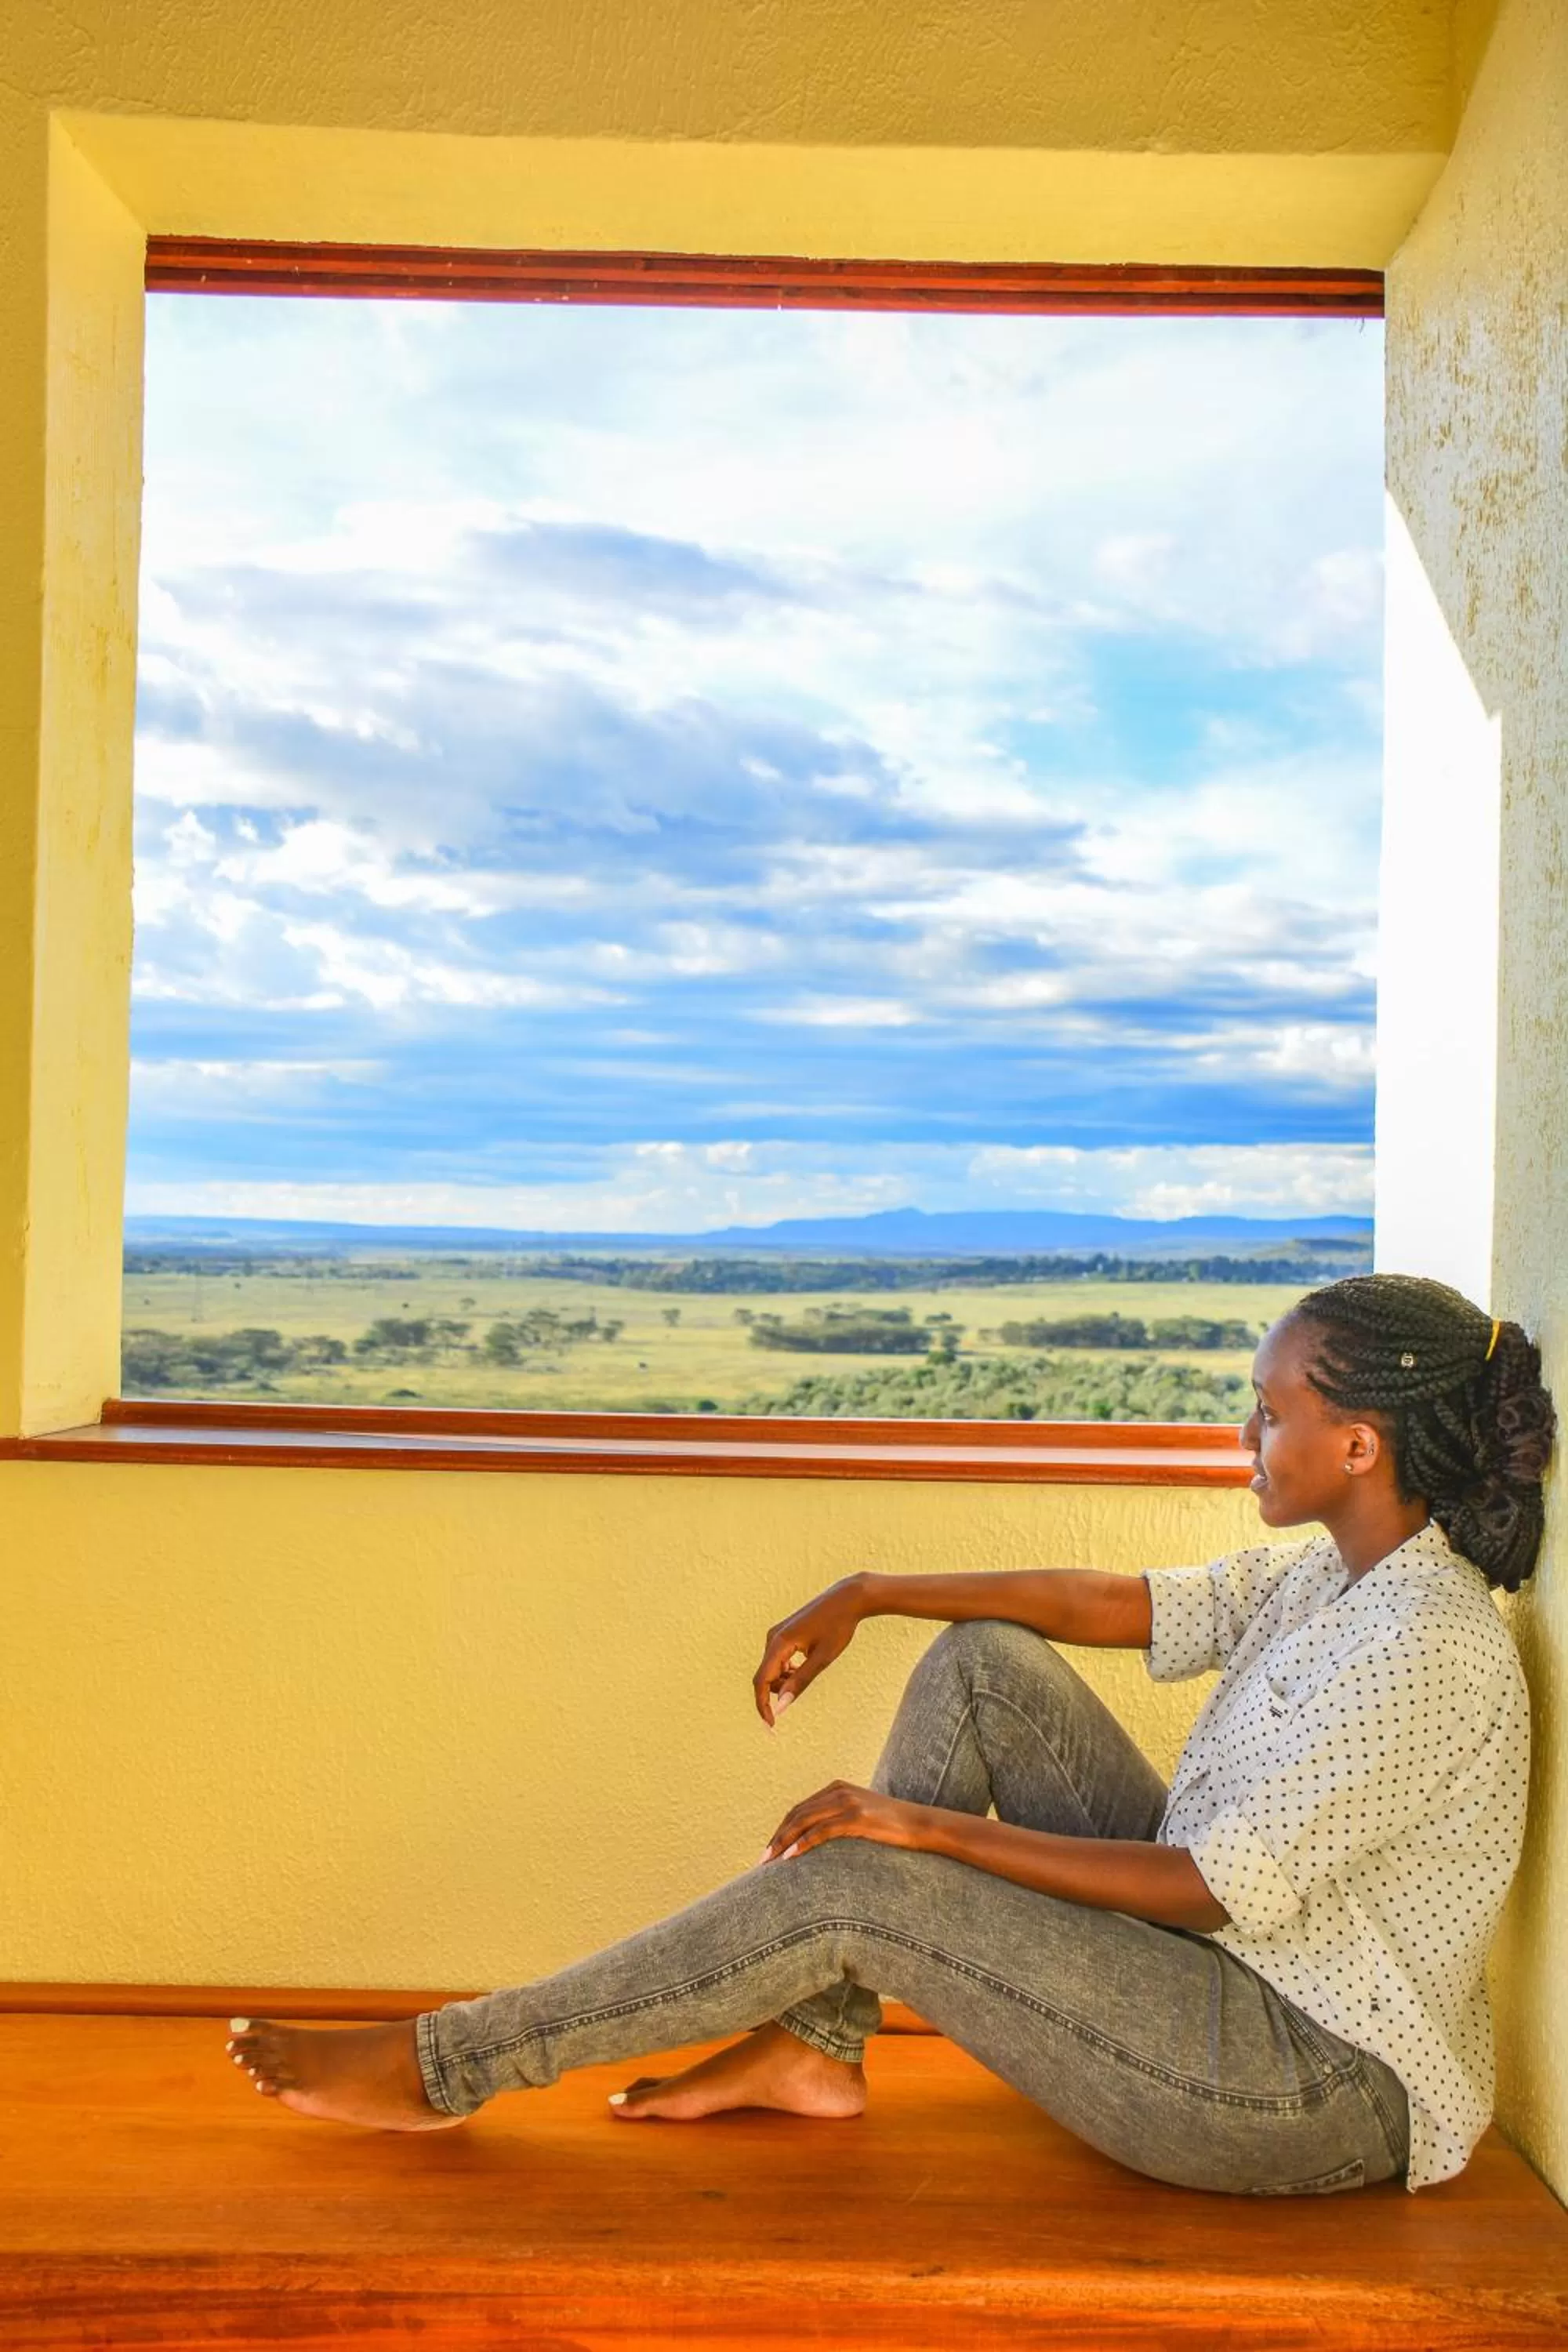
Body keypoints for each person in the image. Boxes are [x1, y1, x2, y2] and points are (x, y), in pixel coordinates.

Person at [227, 1272, 1555, 2195]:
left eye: (1270, 1409)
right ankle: (815, 2046)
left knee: (863, 1882)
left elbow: (1205, 1891)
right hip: (1250, 1968)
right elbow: (1117, 1604)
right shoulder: (1336, 1574)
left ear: (1361, 1446)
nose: (1245, 1431)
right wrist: (873, 1590)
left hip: (1308, 2084)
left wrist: (922, 1832)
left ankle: (449, 2064)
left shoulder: (1425, 1645)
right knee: (982, 1667)